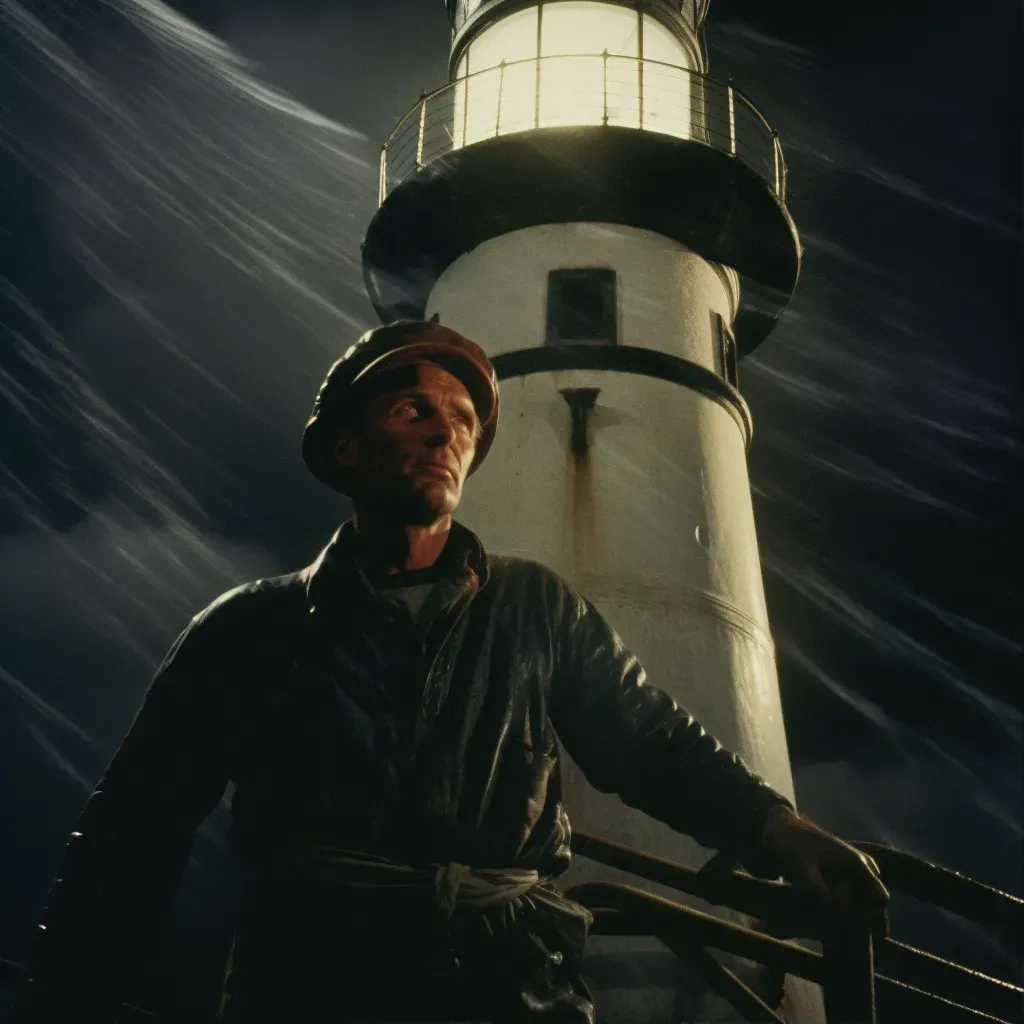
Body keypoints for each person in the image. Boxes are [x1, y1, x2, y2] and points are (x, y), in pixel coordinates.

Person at [17, 320, 889, 1023]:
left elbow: (647, 740)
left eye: (464, 420)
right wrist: (70, 988)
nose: (446, 429)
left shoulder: (535, 609)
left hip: (512, 985)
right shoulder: (251, 627)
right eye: (412, 410)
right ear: (348, 449)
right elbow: (138, 825)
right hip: (312, 984)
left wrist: (778, 830)